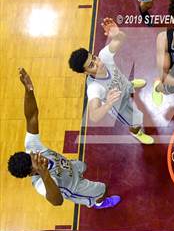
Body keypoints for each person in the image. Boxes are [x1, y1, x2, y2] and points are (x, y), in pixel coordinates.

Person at [7, 68, 120, 209]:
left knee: (82, 165)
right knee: (102, 188)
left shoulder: (32, 146)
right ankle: (99, 202)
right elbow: (57, 201)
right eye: (36, 163)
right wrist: (44, 174)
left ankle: (81, 176)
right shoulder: (41, 184)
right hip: (76, 187)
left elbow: (32, 117)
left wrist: (29, 90)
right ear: (31, 173)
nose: (39, 158)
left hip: (69, 166)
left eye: (33, 156)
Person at [68, 18, 154, 144]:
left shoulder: (104, 55)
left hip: (124, 84)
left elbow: (121, 38)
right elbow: (94, 116)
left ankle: (131, 86)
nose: (98, 63)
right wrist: (107, 104)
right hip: (120, 106)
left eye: (94, 58)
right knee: (136, 120)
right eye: (91, 65)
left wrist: (117, 33)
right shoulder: (94, 88)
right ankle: (136, 132)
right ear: (86, 72)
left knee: (127, 84)